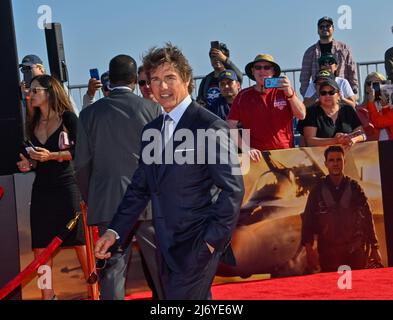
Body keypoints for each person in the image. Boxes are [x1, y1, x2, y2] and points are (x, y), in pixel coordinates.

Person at [94, 43, 244, 300]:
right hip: (164, 244)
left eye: (169, 78)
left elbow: (233, 189)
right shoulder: (151, 130)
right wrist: (114, 231)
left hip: (197, 243)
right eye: (155, 80)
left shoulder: (210, 126)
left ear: (186, 79)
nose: (162, 87)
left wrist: (210, 242)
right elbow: (140, 187)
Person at [74, 55, 161, 300]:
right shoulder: (152, 109)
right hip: (148, 204)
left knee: (112, 271)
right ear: (135, 80)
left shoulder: (89, 114)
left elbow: (80, 165)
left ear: (109, 80)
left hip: (108, 203)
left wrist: (91, 197)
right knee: (160, 268)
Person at [16, 74, 88, 300]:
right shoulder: (32, 122)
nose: (31, 94)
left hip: (67, 186)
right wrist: (28, 163)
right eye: (30, 90)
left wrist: (53, 155)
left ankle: (94, 289)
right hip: (42, 189)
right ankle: (48, 295)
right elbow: (33, 158)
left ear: (50, 92)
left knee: (79, 241)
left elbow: (82, 152)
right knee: (40, 245)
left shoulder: (68, 118)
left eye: (36, 90)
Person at [301, 145, 382, 273]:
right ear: (326, 163)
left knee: (358, 290)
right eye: (331, 160)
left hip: (355, 251)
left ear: (344, 162)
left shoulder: (355, 188)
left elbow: (367, 217)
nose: (335, 164)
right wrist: (309, 250)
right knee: (332, 291)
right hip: (328, 254)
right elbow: (308, 221)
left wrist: (375, 247)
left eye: (339, 160)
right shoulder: (317, 191)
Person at [227, 54, 306, 162]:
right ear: (253, 71)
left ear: (273, 71)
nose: (262, 71)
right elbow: (231, 125)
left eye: (267, 67)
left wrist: (290, 94)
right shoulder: (242, 96)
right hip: (257, 158)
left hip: (286, 153)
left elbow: (301, 115)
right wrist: (245, 148)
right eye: (258, 67)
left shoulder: (285, 91)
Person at [300, 16, 358, 97]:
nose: (325, 28)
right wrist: (308, 97)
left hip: (342, 97)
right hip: (319, 99)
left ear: (333, 28)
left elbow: (352, 72)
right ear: (317, 30)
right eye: (322, 26)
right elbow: (304, 78)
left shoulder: (344, 49)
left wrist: (353, 94)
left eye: (328, 26)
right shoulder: (309, 52)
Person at [300, 78, 365, 147]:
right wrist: (336, 140)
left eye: (331, 92)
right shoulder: (312, 112)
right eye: (323, 93)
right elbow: (310, 141)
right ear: (319, 96)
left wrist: (352, 139)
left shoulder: (348, 110)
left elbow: (362, 135)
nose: (327, 96)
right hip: (320, 156)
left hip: (349, 154)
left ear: (339, 95)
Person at [197, 42, 243, 108]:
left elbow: (239, 76)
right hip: (212, 116)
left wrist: (225, 59)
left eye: (219, 56)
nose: (216, 59)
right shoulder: (206, 80)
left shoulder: (232, 76)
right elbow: (200, 99)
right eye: (213, 57)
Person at [356, 72, 391, 141]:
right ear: (366, 88)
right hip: (371, 148)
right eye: (370, 84)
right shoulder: (359, 111)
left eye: (378, 83)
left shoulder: (390, 108)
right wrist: (371, 103)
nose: (374, 87)